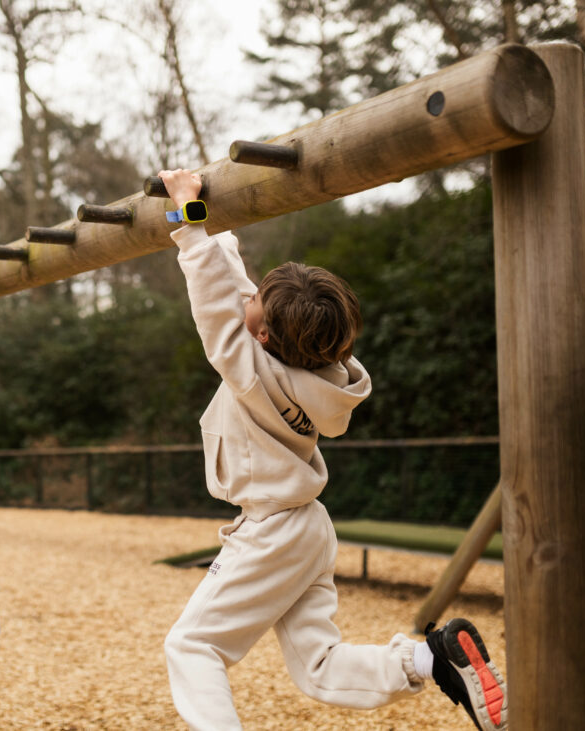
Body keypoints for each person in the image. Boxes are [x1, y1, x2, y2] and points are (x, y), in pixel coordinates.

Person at [157, 169, 507, 731]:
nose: (248, 298)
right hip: (307, 526)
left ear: (264, 336)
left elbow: (212, 293)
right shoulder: (319, 375)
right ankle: (432, 658)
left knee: (192, 645)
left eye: (257, 302)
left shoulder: (246, 365)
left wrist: (186, 217)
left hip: (272, 528)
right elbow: (238, 293)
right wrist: (214, 226)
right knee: (318, 666)